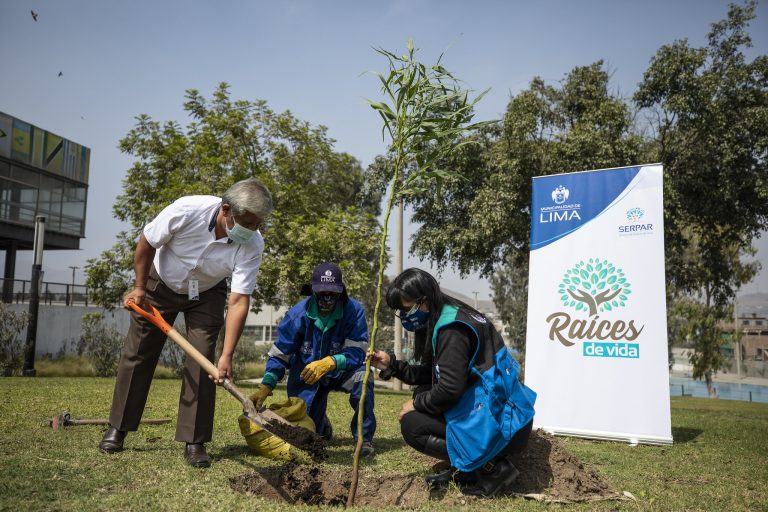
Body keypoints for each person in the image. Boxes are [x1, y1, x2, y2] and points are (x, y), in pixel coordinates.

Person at [98, 178, 273, 468]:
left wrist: (226, 355)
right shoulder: (186, 209)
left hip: (207, 293)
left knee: (203, 358)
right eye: (249, 223)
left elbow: (239, 300)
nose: (253, 230)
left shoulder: (252, 244)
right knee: (138, 353)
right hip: (160, 284)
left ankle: (195, 441)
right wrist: (140, 288)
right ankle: (118, 428)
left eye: (258, 225)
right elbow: (146, 243)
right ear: (226, 209)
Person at [370, 268, 536, 497]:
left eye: (406, 308)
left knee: (413, 425)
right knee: (423, 391)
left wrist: (417, 405)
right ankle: (465, 467)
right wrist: (392, 366)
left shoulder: (452, 330)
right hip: (505, 414)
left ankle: (493, 467)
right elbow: (433, 375)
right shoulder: (447, 314)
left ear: (424, 300)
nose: (404, 315)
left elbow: (449, 390)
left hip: (505, 425)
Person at [250, 262, 376, 457]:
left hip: (342, 371)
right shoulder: (296, 316)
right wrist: (267, 385)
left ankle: (363, 439)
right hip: (307, 376)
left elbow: (358, 351)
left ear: (341, 293)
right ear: (313, 292)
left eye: (332, 294)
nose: (327, 299)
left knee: (363, 377)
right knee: (306, 432)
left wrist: (331, 362)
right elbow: (281, 354)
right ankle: (322, 425)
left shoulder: (353, 311)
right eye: (322, 294)